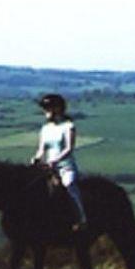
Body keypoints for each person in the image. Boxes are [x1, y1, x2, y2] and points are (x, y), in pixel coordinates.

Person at [31, 92, 87, 229]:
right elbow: (41, 150)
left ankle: (81, 219)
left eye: (48, 108)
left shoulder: (68, 126)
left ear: (57, 109)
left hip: (65, 167)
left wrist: (55, 160)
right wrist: (36, 158)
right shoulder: (45, 129)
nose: (45, 112)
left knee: (70, 186)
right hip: (48, 167)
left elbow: (69, 148)